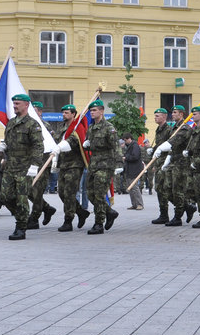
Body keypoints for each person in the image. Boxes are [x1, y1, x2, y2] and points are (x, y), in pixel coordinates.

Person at [0, 94, 44, 241]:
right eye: (14, 103)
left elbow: (38, 146)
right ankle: (21, 215)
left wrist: (35, 165)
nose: (14, 106)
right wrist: (3, 146)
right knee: (5, 196)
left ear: (26, 105)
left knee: (21, 198)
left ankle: (21, 227)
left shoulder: (32, 124)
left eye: (17, 103)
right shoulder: (11, 123)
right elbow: (8, 141)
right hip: (10, 166)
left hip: (25, 167)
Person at [83, 99, 122, 234]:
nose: (92, 113)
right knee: (90, 194)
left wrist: (119, 164)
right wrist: (88, 143)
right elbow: (90, 142)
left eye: (94, 110)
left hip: (106, 165)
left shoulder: (108, 128)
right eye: (91, 111)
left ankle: (99, 223)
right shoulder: (91, 127)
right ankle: (109, 212)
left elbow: (116, 146)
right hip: (94, 164)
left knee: (99, 194)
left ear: (101, 111)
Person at [51, 104, 90, 231]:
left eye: (67, 113)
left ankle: (68, 220)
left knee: (69, 193)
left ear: (73, 114)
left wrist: (61, 146)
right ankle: (81, 211)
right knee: (61, 192)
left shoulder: (77, 127)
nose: (64, 115)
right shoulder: (61, 127)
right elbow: (56, 141)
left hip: (74, 165)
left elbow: (73, 141)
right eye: (63, 113)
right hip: (63, 164)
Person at [155, 105, 194, 226]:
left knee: (177, 190)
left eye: (175, 112)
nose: (173, 114)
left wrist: (162, 149)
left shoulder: (185, 128)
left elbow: (174, 142)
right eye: (172, 112)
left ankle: (178, 217)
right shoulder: (174, 128)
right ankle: (186, 207)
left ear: (181, 114)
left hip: (182, 163)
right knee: (166, 189)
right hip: (173, 162)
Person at [26, 101, 56, 230]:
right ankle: (47, 208)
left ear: (40, 112)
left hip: (43, 163)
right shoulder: (27, 124)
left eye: (36, 110)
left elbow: (50, 144)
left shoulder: (45, 126)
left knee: (37, 192)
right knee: (28, 190)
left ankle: (34, 218)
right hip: (31, 163)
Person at [149, 108, 174, 224]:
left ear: (164, 117)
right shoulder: (158, 130)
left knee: (164, 189)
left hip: (166, 163)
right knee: (159, 188)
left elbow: (171, 145)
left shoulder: (169, 129)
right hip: (159, 162)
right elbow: (159, 145)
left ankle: (183, 206)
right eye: (155, 116)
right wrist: (152, 150)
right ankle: (163, 214)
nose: (155, 118)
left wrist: (168, 161)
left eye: (157, 116)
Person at [123, 133, 144, 210]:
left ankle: (139, 204)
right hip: (130, 169)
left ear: (129, 139)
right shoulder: (130, 146)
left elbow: (135, 156)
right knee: (130, 188)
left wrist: (126, 158)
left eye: (126, 140)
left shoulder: (134, 145)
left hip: (134, 169)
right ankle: (134, 204)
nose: (125, 142)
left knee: (134, 187)